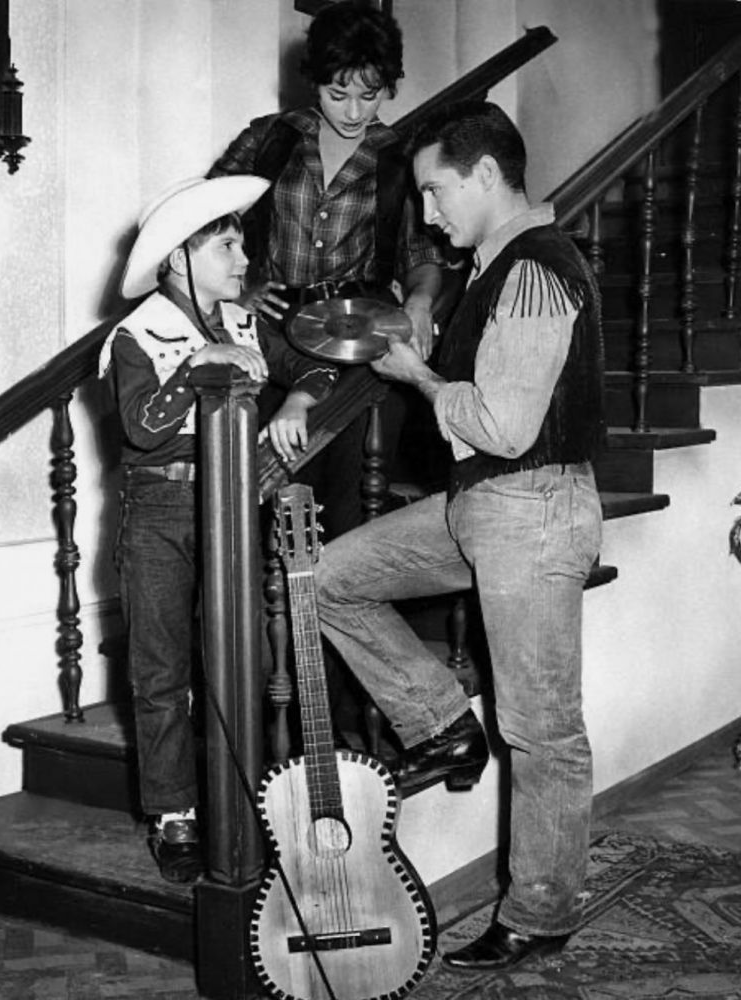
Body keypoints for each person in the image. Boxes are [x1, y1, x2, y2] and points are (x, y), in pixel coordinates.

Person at [313, 100, 606, 972]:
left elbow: (506, 426)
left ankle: (542, 913)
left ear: (484, 174)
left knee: (542, 730)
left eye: (436, 191)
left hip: (532, 507)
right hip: (481, 503)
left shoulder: (535, 268)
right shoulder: (492, 267)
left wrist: (419, 376)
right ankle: (444, 724)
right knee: (326, 578)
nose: (428, 213)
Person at [99, 175, 338, 884]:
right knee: (161, 670)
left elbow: (317, 366)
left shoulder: (243, 322)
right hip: (159, 511)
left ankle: (238, 797)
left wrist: (294, 401)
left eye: (241, 244)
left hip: (232, 503)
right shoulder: (136, 334)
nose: (244, 260)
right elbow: (143, 430)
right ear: (179, 258)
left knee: (241, 659)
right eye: (227, 247)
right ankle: (174, 813)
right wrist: (196, 366)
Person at [207, 0, 444, 539]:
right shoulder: (269, 139)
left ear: (388, 86)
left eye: (370, 94)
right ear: (313, 80)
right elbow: (203, 226)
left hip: (360, 346)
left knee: (346, 511)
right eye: (338, 94)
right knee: (267, 506)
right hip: (270, 343)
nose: (354, 111)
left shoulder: (400, 159)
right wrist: (237, 288)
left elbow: (423, 255)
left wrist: (420, 300)